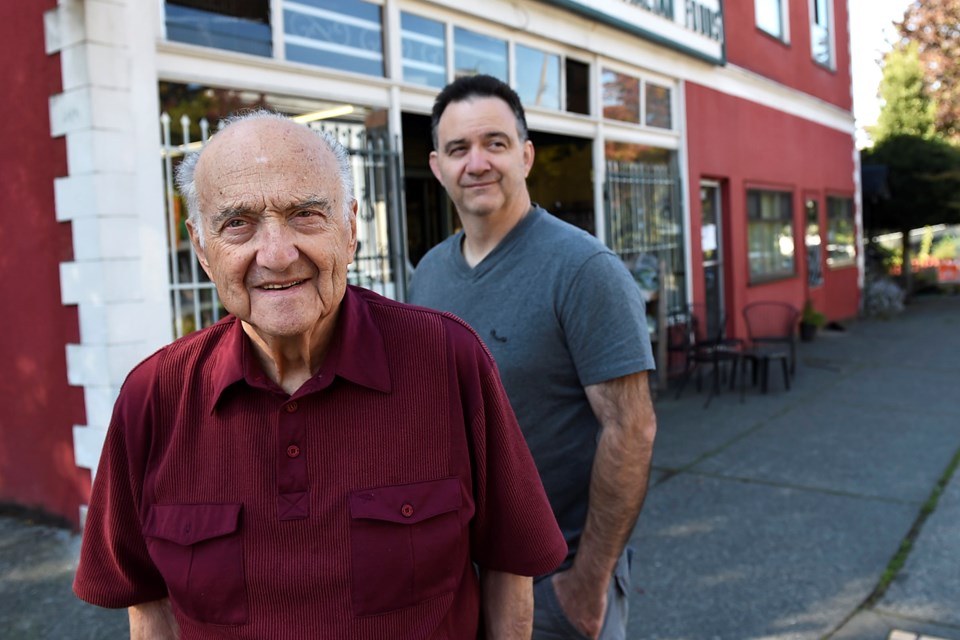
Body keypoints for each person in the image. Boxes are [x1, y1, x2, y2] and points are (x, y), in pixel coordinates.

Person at [73, 110, 567, 639]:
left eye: (306, 214)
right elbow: (148, 604)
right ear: (201, 248)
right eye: (237, 223)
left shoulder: (449, 359)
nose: (278, 254)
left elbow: (509, 565)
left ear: (351, 228)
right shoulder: (153, 396)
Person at [409, 75, 658, 640]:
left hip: (556, 579)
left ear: (525, 155)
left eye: (495, 143)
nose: (477, 163)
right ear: (437, 166)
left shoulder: (582, 269)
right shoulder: (427, 275)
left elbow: (632, 429)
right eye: (458, 149)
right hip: (460, 578)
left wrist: (588, 582)